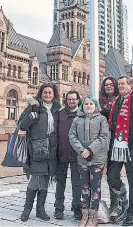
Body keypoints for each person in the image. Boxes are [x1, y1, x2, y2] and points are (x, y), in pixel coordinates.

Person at [107, 76, 133, 226]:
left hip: (131, 147)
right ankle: (123, 199)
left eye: (123, 84)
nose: (120, 86)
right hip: (117, 147)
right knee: (111, 176)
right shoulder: (116, 102)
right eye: (119, 84)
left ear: (130, 85)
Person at [18, 83, 61, 222]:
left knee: (45, 180)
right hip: (37, 149)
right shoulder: (34, 106)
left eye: (50, 92)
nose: (47, 95)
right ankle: (27, 208)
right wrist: (31, 115)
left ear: (54, 95)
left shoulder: (57, 109)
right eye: (45, 92)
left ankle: (40, 209)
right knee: (35, 181)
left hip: (52, 151)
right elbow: (22, 125)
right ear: (41, 94)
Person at [69, 94, 110, 227]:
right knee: (84, 187)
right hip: (82, 159)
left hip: (97, 158)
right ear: (82, 106)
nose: (88, 106)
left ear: (95, 106)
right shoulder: (77, 120)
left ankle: (94, 216)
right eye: (86, 104)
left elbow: (104, 137)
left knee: (95, 187)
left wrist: (90, 150)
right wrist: (82, 150)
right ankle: (85, 214)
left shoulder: (101, 119)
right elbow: (72, 136)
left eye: (91, 104)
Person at [54, 91, 82, 220]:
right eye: (69, 99)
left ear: (78, 100)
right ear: (66, 100)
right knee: (60, 182)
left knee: (76, 183)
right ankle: (59, 208)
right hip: (62, 153)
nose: (71, 101)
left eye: (74, 99)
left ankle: (77, 208)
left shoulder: (82, 114)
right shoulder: (60, 113)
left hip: (77, 154)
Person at [99, 76, 119, 213]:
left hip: (118, 141)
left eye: (111, 84)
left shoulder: (121, 100)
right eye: (106, 84)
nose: (109, 86)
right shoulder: (99, 102)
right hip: (103, 143)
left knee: (113, 176)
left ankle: (116, 204)